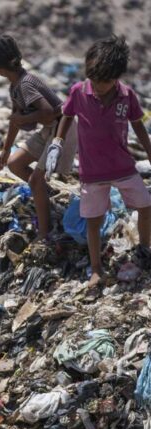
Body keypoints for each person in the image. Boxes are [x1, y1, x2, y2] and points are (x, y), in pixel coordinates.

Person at [50, 35, 151, 287]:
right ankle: (96, 269)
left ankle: (144, 249)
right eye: (93, 79)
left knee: (146, 207)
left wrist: (150, 152)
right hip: (92, 172)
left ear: (116, 77)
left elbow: (138, 126)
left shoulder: (127, 96)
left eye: (103, 82)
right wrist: (57, 142)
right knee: (93, 222)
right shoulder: (78, 91)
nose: (97, 86)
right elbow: (66, 115)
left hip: (123, 166)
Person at [0, 35, 78, 240]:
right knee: (15, 163)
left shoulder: (25, 84)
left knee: (35, 180)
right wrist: (6, 149)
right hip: (49, 129)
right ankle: (42, 192)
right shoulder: (15, 85)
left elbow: (48, 112)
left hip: (63, 129)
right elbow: (15, 120)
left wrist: (24, 117)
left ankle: (44, 234)